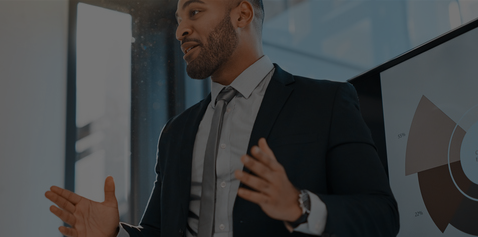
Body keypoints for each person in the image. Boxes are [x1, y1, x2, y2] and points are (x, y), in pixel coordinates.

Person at [45, 0, 399, 236]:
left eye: (194, 12)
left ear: (242, 14)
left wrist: (298, 204)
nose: (180, 30)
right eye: (178, 19)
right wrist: (116, 233)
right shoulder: (176, 133)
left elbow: (381, 215)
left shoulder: (326, 102)